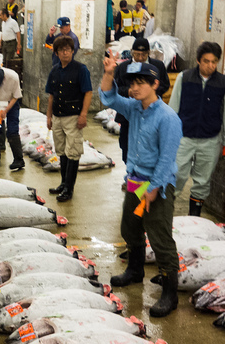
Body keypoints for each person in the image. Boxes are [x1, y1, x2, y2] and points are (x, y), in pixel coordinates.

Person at [98, 55, 182, 317]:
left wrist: (155, 187)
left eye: (140, 83)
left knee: (160, 239)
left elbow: (167, 159)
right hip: (134, 182)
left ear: (155, 84)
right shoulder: (135, 108)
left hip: (156, 185)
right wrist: (110, 73)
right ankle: (135, 270)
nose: (134, 88)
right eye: (131, 83)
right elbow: (108, 98)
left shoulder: (168, 118)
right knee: (130, 228)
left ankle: (170, 293)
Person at [168, 41, 225, 217]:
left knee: (203, 181)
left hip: (210, 140)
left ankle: (194, 218)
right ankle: (164, 212)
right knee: (176, 175)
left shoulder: (222, 82)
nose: (210, 66)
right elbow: (173, 108)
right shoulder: (184, 77)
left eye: (214, 62)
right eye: (206, 61)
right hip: (184, 137)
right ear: (198, 60)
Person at [45, 36, 93, 202]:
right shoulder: (54, 70)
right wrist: (49, 115)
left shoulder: (81, 69)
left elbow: (88, 92)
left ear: (73, 51)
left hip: (73, 117)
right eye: (61, 50)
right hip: (57, 116)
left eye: (68, 50)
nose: (65, 53)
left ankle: (69, 189)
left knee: (73, 152)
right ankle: (63, 183)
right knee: (61, 151)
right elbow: (51, 95)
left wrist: (84, 115)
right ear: (57, 53)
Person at [113, 38, 170, 166]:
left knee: (149, 144)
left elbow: (165, 84)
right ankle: (130, 174)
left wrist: (149, 93)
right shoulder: (123, 67)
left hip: (151, 113)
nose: (140, 57)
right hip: (129, 114)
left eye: (143, 55)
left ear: (148, 53)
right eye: (137, 54)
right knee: (126, 144)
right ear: (132, 52)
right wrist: (129, 92)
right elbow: (116, 88)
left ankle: (145, 177)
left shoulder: (157, 66)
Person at [0, 66, 25, 170]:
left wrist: (6, 110)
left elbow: (16, 96)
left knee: (12, 130)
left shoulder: (13, 77)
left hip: (11, 102)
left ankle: (18, 160)